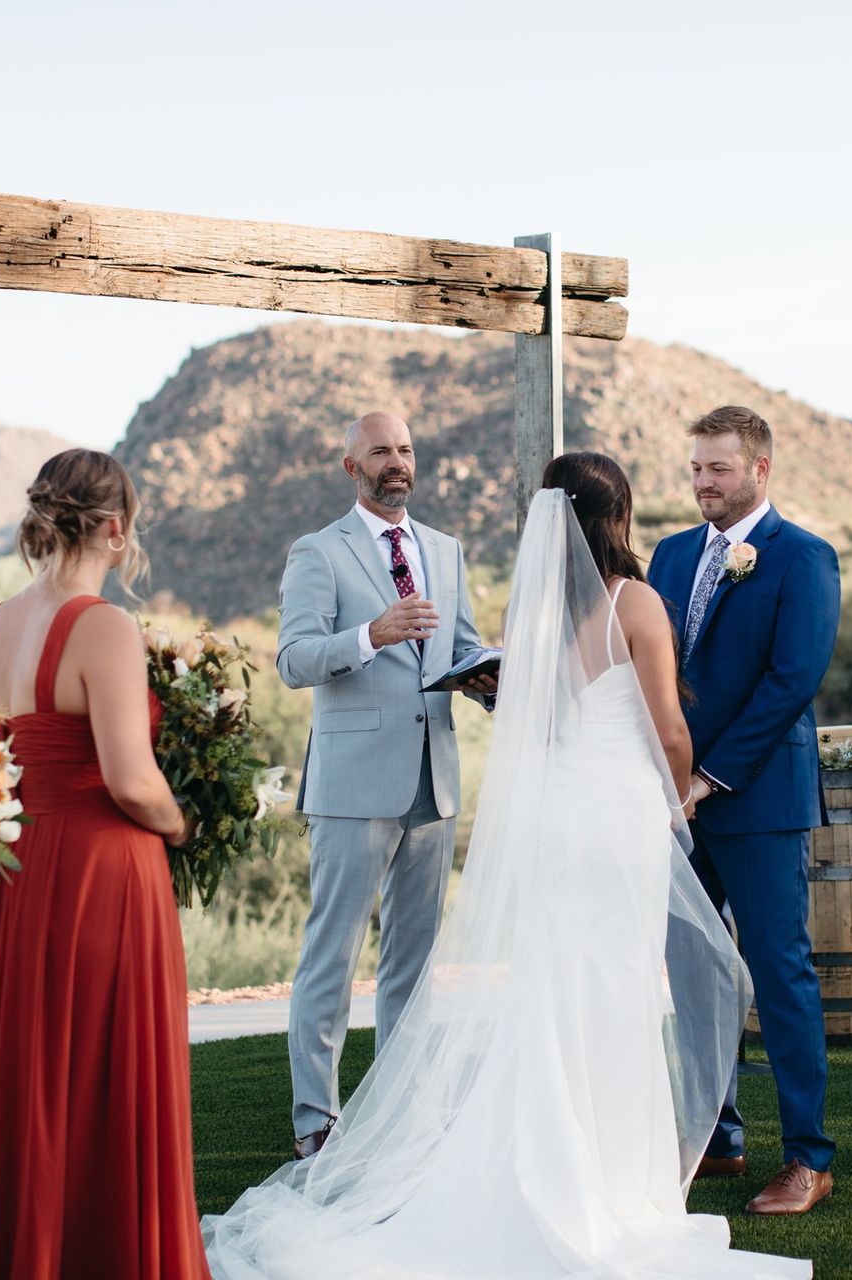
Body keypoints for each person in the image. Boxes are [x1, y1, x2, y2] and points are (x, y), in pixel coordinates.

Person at [203, 454, 805, 1278]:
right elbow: (668, 731)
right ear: (619, 515)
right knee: (617, 991)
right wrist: (678, 798)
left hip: (559, 818)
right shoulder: (637, 603)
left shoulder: (536, 611)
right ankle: (610, 1186)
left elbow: (538, 723)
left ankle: (535, 1173)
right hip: (620, 815)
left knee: (551, 992)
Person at [0, 449, 203, 1278]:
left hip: (23, 869)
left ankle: (33, 1250)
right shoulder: (104, 626)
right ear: (116, 529)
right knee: (104, 1071)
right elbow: (131, 781)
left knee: (38, 1067)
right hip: (103, 871)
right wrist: (185, 823)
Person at [272, 411, 494, 1161]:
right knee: (331, 953)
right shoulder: (317, 552)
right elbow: (295, 659)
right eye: (380, 452)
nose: (396, 462)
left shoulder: (444, 549)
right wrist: (374, 633)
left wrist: (487, 678)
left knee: (415, 958)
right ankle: (315, 1119)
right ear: (351, 468)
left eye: (404, 449)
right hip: (351, 784)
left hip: (434, 781)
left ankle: (400, 1109)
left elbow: (457, 647)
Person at [647, 405, 841, 1216]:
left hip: (757, 803)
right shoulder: (669, 554)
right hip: (669, 807)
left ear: (760, 470)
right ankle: (714, 1134)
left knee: (780, 974)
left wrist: (710, 778)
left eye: (717, 469)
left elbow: (791, 682)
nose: (702, 483)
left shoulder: (804, 559)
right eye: (695, 468)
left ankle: (808, 1157)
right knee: (691, 974)